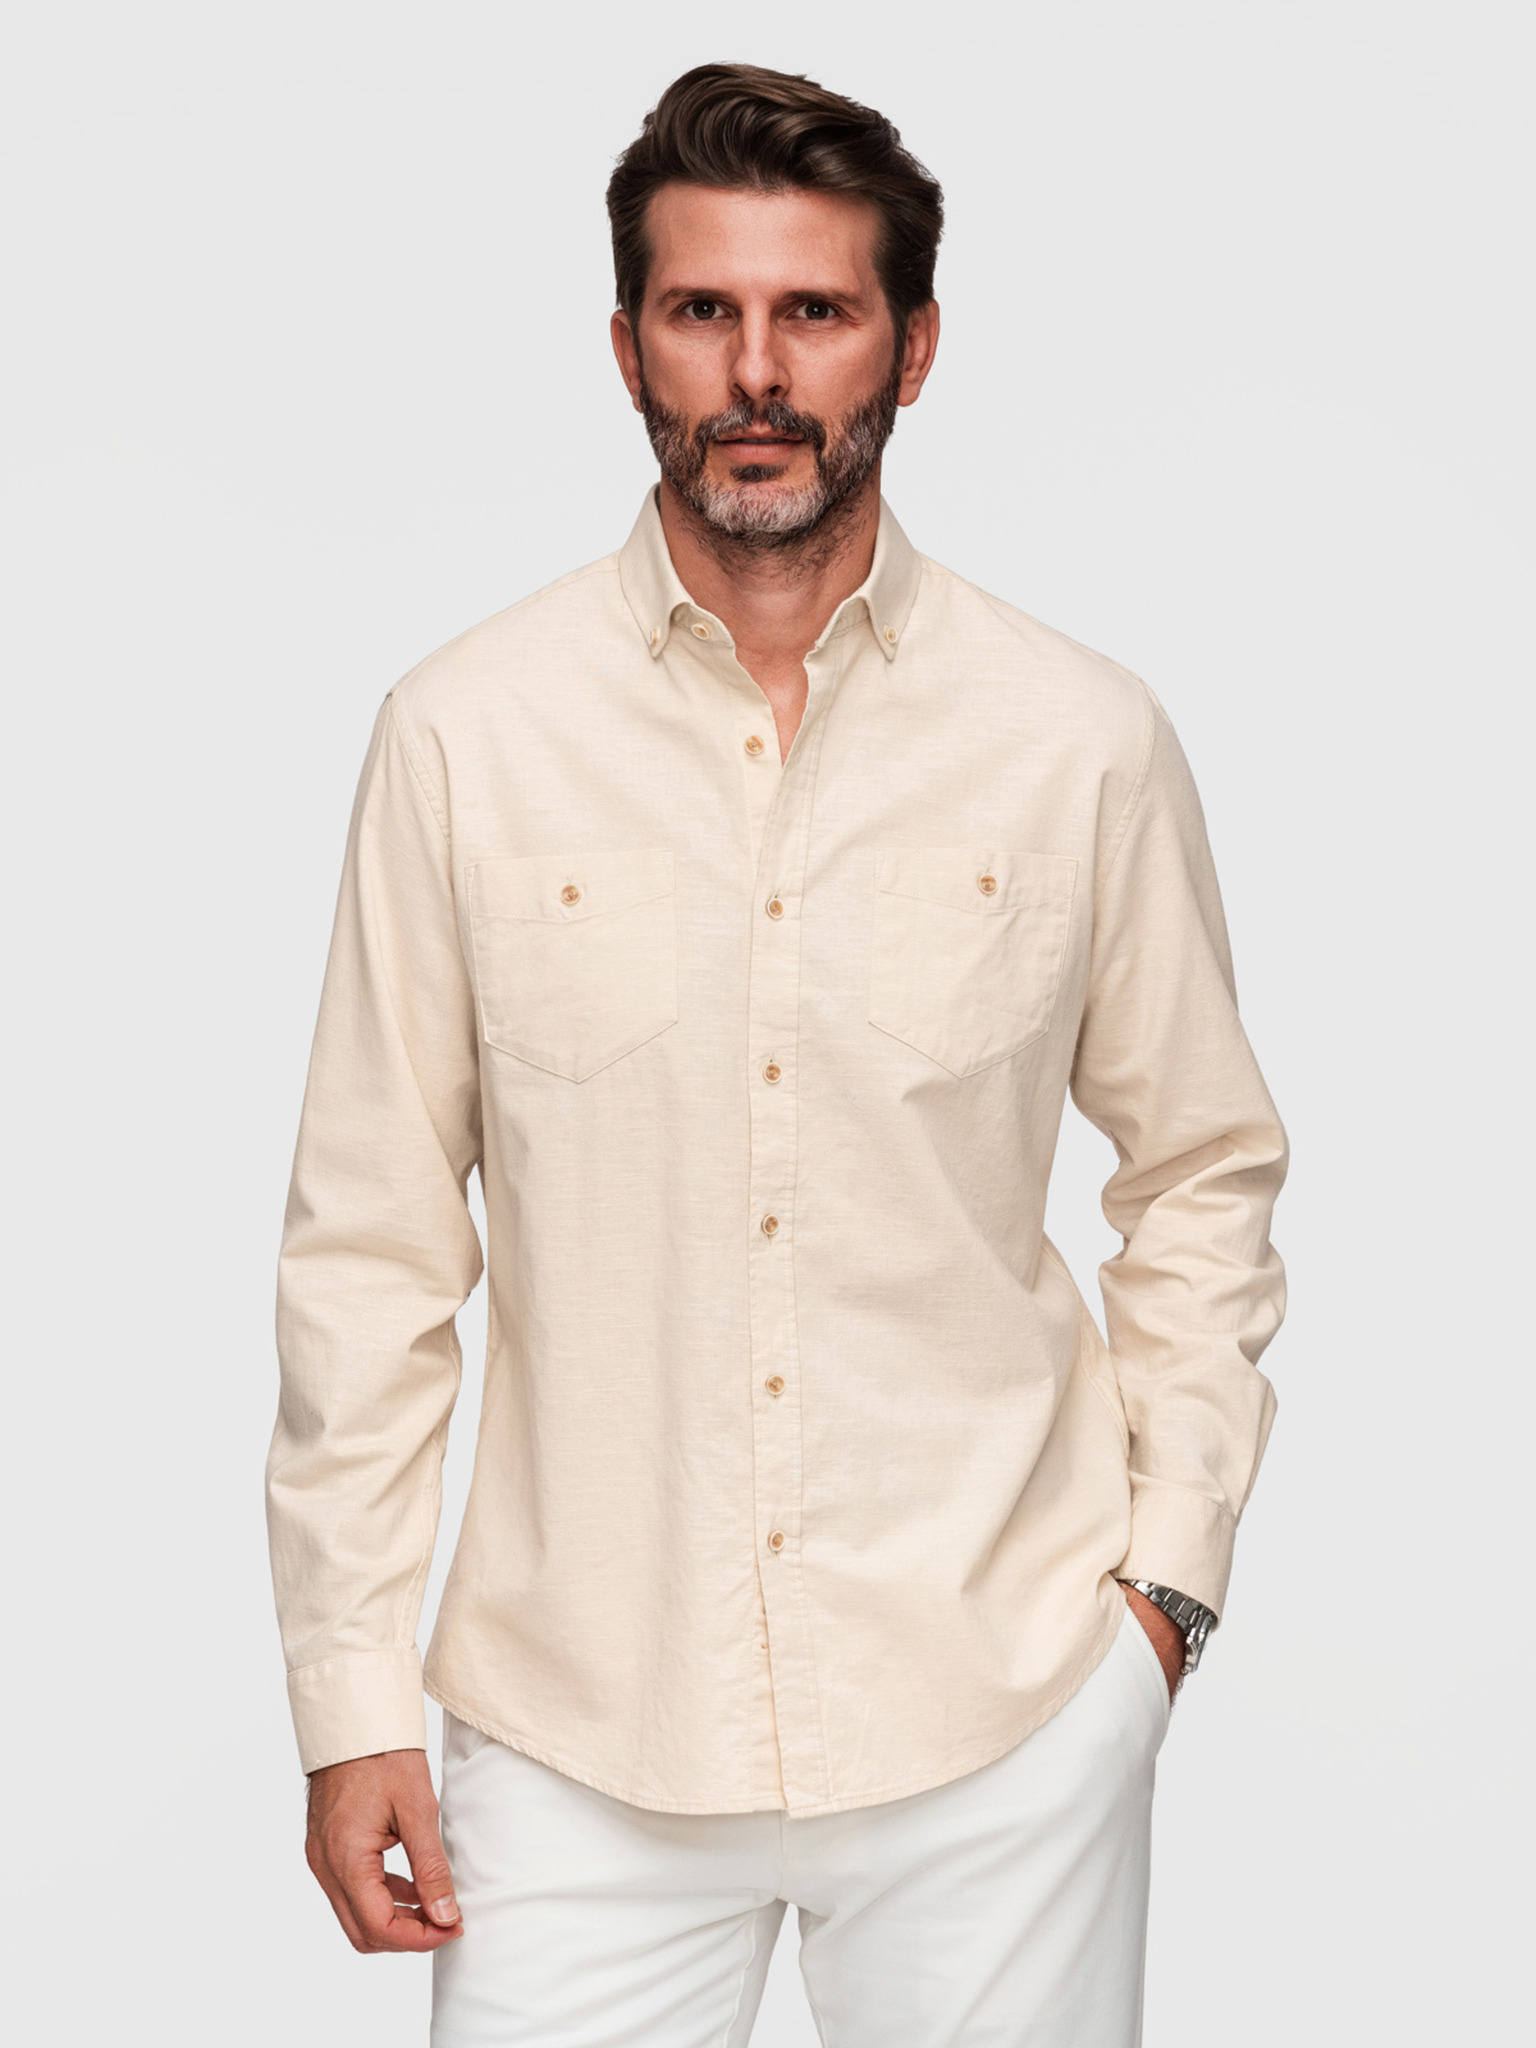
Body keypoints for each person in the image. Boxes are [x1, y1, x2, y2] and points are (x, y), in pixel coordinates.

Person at [266, 61, 1288, 2047]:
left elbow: (1203, 1170)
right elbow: (370, 1245)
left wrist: (1161, 1597)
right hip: (578, 1729)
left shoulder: (1077, 737)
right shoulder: (466, 735)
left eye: (813, 310)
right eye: (701, 309)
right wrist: (350, 1696)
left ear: (913, 346)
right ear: (626, 344)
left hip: (997, 1707)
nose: (755, 370)